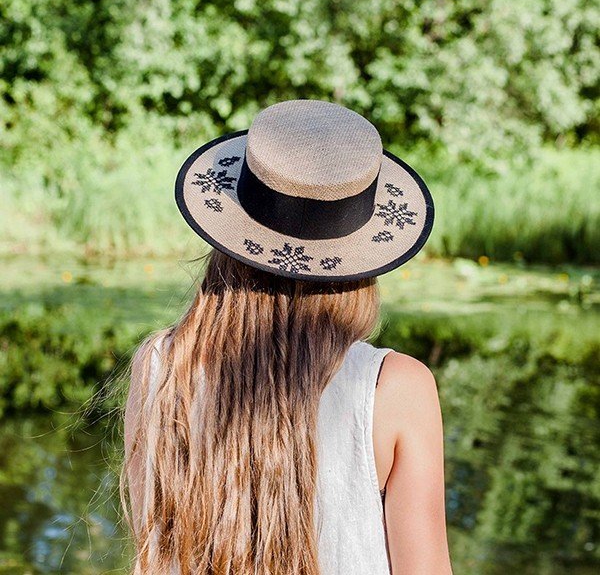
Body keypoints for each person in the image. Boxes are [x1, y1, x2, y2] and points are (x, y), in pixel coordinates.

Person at [122, 99, 453, 574]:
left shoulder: (161, 367)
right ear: (361, 260)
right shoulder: (395, 389)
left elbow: (154, 551)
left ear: (230, 238)